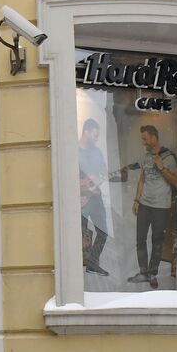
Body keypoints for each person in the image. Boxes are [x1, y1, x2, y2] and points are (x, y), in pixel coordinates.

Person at [128, 125, 177, 287]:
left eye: (145, 138)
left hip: (161, 206)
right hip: (144, 204)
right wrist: (137, 200)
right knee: (140, 239)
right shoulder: (146, 157)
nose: (143, 142)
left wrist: (162, 167)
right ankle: (143, 272)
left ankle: (152, 273)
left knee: (157, 240)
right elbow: (142, 179)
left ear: (153, 137)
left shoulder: (169, 157)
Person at [77, 118, 110, 276]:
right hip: (80, 198)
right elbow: (66, 178)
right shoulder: (74, 151)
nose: (96, 139)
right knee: (80, 234)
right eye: (94, 136)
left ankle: (93, 262)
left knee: (103, 232)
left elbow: (103, 171)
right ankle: (77, 267)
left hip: (96, 197)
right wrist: (83, 183)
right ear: (86, 131)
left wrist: (103, 174)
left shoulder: (97, 152)